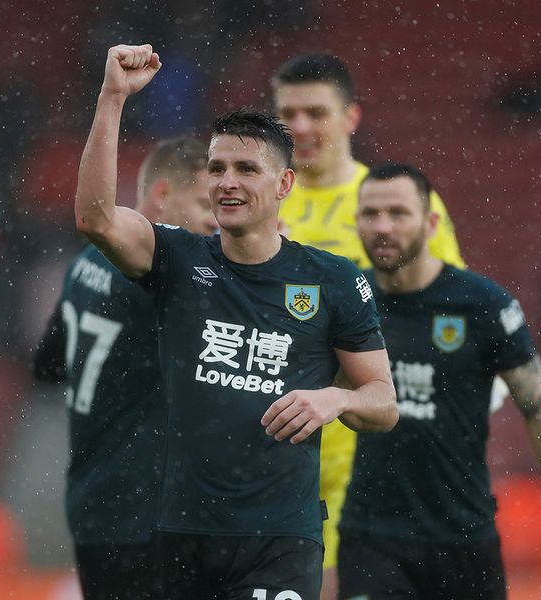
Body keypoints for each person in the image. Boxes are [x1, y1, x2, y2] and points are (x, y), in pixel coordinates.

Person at [73, 43, 399, 599]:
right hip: (177, 534)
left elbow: (383, 400)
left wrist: (336, 400)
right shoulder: (178, 259)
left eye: (247, 169)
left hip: (279, 538)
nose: (228, 181)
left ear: (285, 185)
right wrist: (112, 98)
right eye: (218, 168)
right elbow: (96, 218)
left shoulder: (334, 279)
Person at [337, 162, 541, 599]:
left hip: (462, 538)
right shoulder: (349, 303)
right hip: (372, 537)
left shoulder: (483, 306)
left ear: (430, 223)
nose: (382, 226)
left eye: (398, 213)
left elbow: (539, 411)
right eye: (370, 214)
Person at [270, 52, 467, 597]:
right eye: (288, 114)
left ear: (351, 117)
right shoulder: (261, 208)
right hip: (284, 449)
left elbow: (451, 318)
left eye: (316, 112)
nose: (301, 127)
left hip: (376, 451)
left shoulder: (391, 206)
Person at [34, 135, 217, 599]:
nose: (214, 220)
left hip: (94, 506)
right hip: (148, 510)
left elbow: (48, 364)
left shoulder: (83, 265)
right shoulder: (160, 275)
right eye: (203, 202)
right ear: (161, 196)